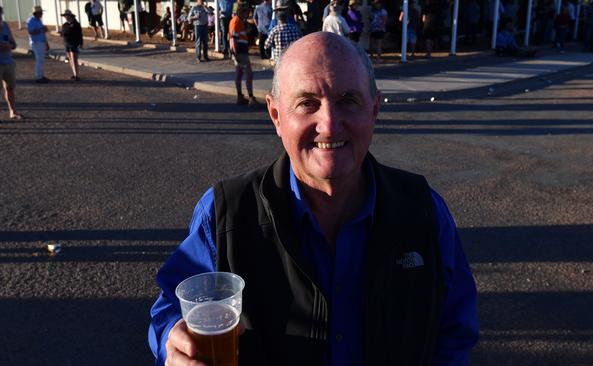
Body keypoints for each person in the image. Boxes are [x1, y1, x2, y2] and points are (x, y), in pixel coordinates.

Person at [148, 31, 479, 366]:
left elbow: (455, 330)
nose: (330, 125)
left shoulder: (423, 211)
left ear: (375, 110)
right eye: (307, 103)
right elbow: (171, 308)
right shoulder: (225, 213)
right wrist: (172, 340)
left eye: (348, 100)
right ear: (276, 116)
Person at [229, 4, 258, 106]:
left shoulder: (238, 21)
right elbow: (233, 38)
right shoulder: (236, 21)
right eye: (247, 12)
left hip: (239, 51)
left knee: (239, 73)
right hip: (240, 52)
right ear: (242, 12)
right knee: (249, 74)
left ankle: (240, 96)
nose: (248, 14)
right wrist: (235, 53)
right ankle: (251, 97)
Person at [0, 6, 22, 120]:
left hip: (8, 62)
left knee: (10, 88)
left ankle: (12, 111)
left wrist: (10, 45)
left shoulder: (5, 26)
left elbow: (14, 44)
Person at [27, 5, 50, 83]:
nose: (41, 14)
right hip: (36, 42)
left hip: (41, 41)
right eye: (40, 13)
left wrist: (46, 43)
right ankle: (38, 77)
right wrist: (41, 29)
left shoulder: (39, 20)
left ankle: (40, 75)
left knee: (41, 60)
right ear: (36, 13)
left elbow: (42, 32)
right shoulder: (31, 21)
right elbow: (31, 32)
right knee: (39, 60)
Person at [60, 10, 83, 81]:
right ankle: (74, 74)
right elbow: (62, 33)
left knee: (74, 59)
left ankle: (76, 75)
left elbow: (80, 34)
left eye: (67, 15)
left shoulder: (76, 24)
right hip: (67, 43)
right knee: (70, 59)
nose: (66, 17)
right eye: (65, 16)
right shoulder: (65, 25)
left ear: (70, 16)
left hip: (74, 43)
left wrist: (81, 43)